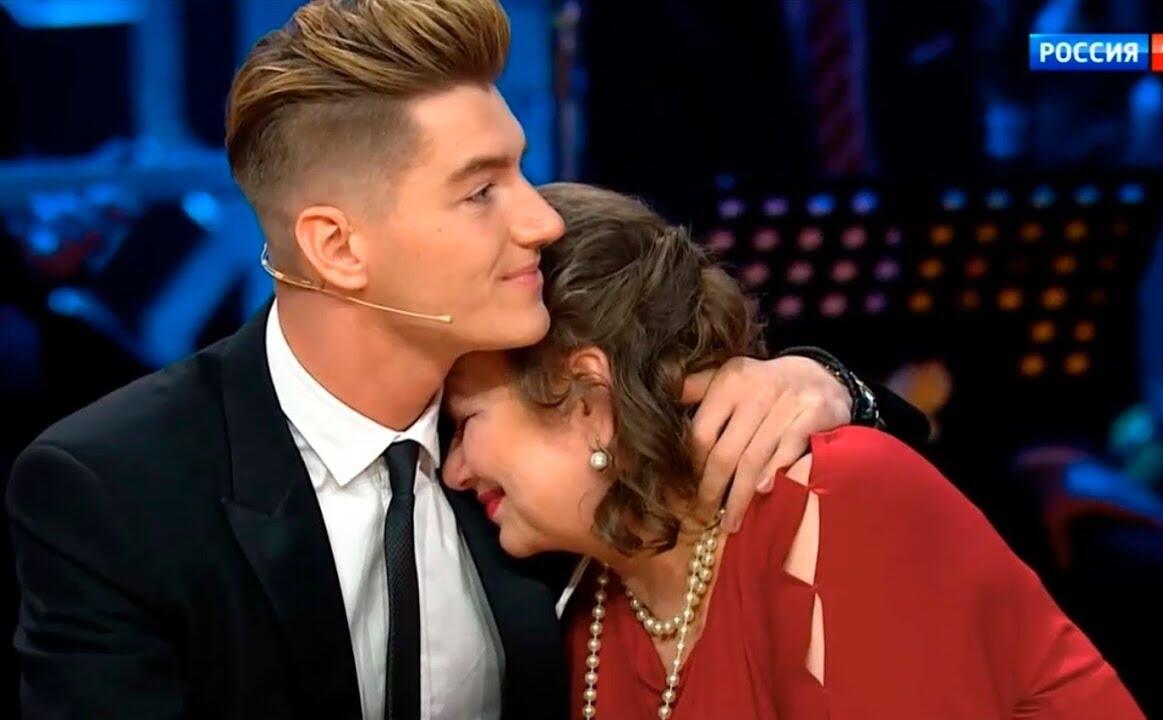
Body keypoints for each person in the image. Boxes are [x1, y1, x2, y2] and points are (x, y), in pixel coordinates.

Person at [5, 2, 920, 718]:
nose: (542, 220)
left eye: (521, 171)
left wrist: (824, 383)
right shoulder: (116, 489)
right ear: (338, 247)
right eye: (482, 190)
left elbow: (891, 501)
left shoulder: (551, 409)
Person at [443, 182, 1146, 719]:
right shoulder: (583, 604)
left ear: (586, 394)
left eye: (466, 420)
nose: (454, 469)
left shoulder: (839, 501)